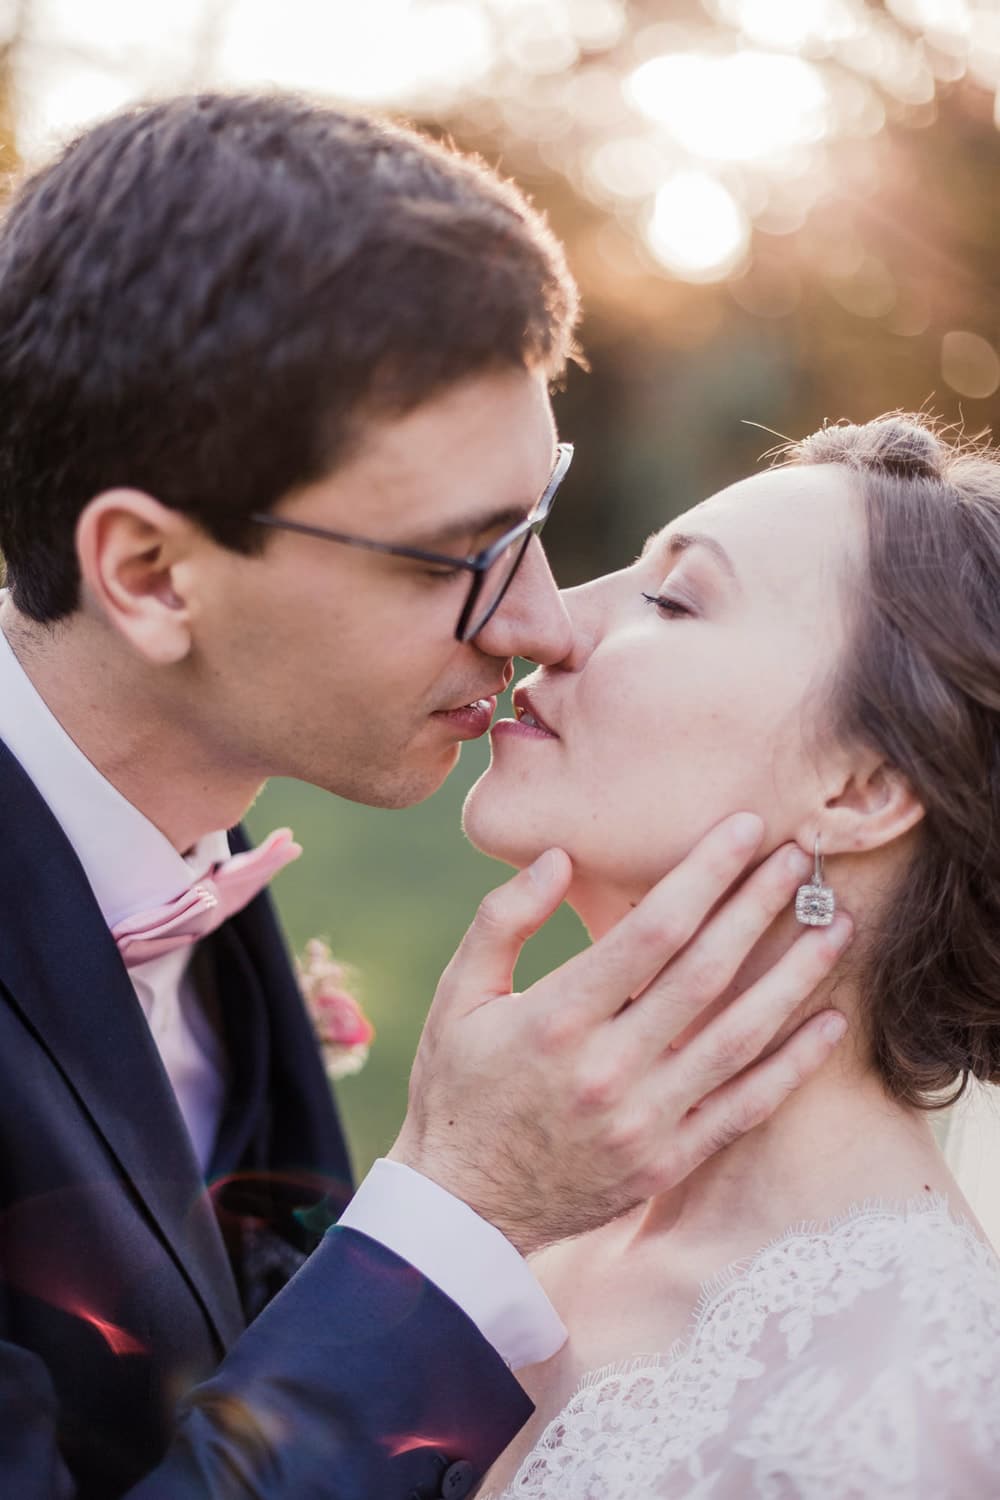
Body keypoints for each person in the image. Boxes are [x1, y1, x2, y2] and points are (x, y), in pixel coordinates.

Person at [0, 93, 854, 1499]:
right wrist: (461, 1208)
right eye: (460, 553)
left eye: (538, 517)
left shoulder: (196, 861)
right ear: (152, 576)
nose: (541, 620)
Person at [463, 413, 1000, 1498]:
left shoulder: (899, 1410)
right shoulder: (522, 1199)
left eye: (672, 598)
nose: (550, 622)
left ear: (859, 791)